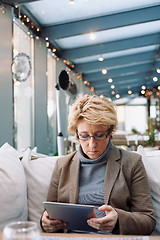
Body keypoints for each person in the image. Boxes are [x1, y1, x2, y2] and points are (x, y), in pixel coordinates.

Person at [41, 94, 155, 235]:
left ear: (110, 132)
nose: (92, 144)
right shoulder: (63, 165)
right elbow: (49, 212)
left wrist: (118, 220)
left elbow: (148, 221)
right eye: (84, 135)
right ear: (76, 134)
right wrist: (45, 222)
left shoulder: (132, 163)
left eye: (99, 135)